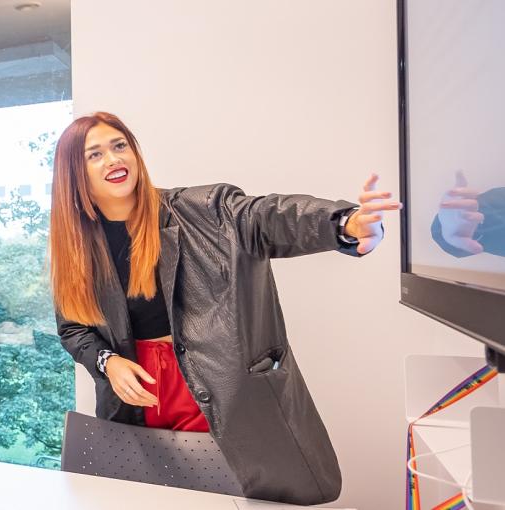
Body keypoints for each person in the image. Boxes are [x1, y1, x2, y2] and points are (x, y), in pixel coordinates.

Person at [50, 112, 400, 505]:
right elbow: (74, 328)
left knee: (225, 496)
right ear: (73, 175)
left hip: (213, 379)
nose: (113, 160)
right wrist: (107, 362)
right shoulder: (76, 248)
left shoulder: (204, 209)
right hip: (137, 391)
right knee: (145, 498)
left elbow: (268, 217)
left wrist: (346, 223)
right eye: (93, 155)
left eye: (119, 146)